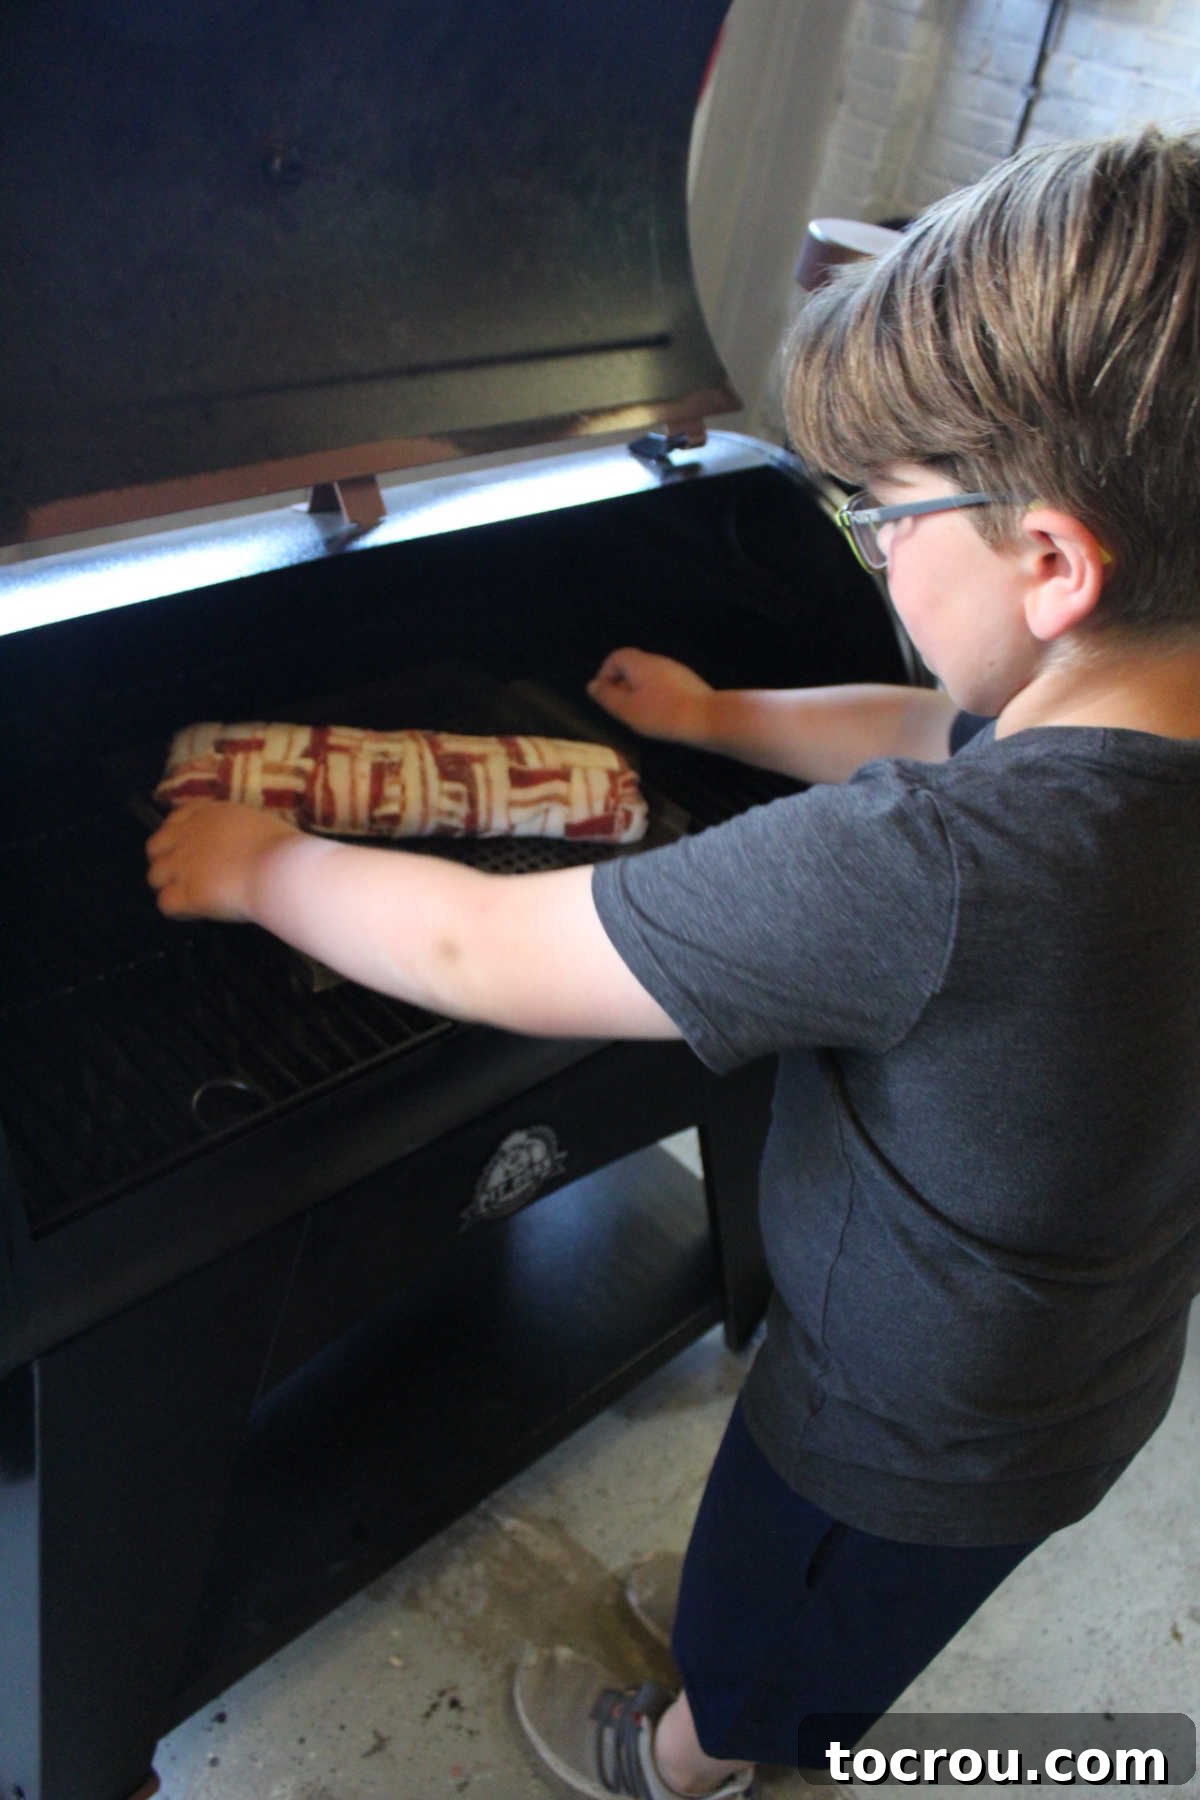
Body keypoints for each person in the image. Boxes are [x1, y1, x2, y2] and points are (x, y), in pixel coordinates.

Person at [146, 125, 1200, 1800]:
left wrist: (262, 861)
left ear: (1056, 561)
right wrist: (713, 717)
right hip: (1067, 1372)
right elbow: (946, 718)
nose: (871, 547)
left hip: (899, 1429)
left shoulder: (939, 874)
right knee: (802, 1603)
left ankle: (686, 1749)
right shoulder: (1137, 717)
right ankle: (758, 1656)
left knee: (777, 1624)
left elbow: (478, 938)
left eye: (884, 520)